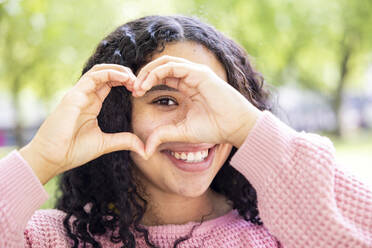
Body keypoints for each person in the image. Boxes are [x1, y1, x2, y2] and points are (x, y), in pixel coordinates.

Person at [0, 14, 371, 248]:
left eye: (215, 99)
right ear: (116, 114)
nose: (194, 127)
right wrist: (40, 159)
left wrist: (250, 130)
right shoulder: (48, 239)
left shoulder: (285, 232)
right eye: (164, 101)